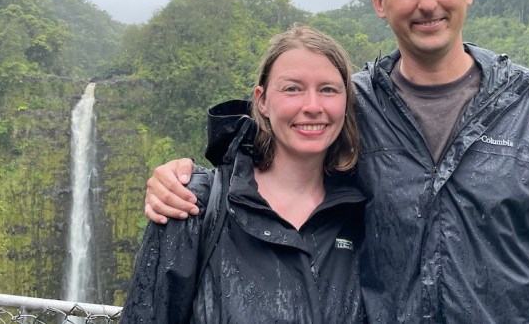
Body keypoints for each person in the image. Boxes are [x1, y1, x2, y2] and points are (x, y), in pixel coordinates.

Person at [144, 0, 529, 323]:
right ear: (379, 1)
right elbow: (282, 139)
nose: (427, 2)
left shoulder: (526, 99)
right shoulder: (356, 102)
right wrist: (186, 177)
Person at [121, 25, 365, 323]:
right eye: (292, 88)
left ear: (346, 101)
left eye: (328, 89)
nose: (312, 106)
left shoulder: (364, 213)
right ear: (261, 101)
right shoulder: (192, 204)